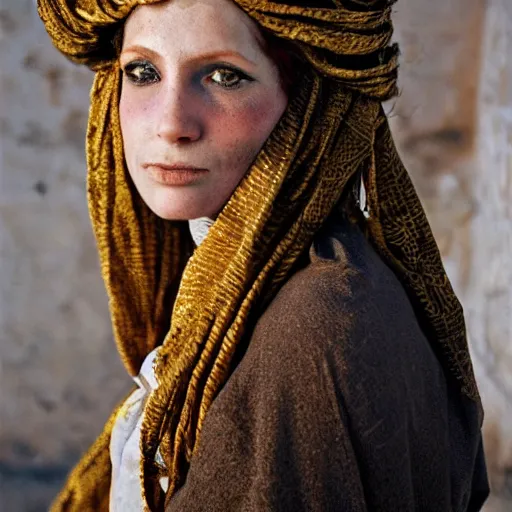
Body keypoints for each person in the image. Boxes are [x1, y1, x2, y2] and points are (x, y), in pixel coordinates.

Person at [37, 0, 490, 510]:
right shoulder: (266, 293)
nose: (171, 124)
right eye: (142, 72)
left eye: (224, 76)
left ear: (308, 104)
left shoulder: (315, 328)